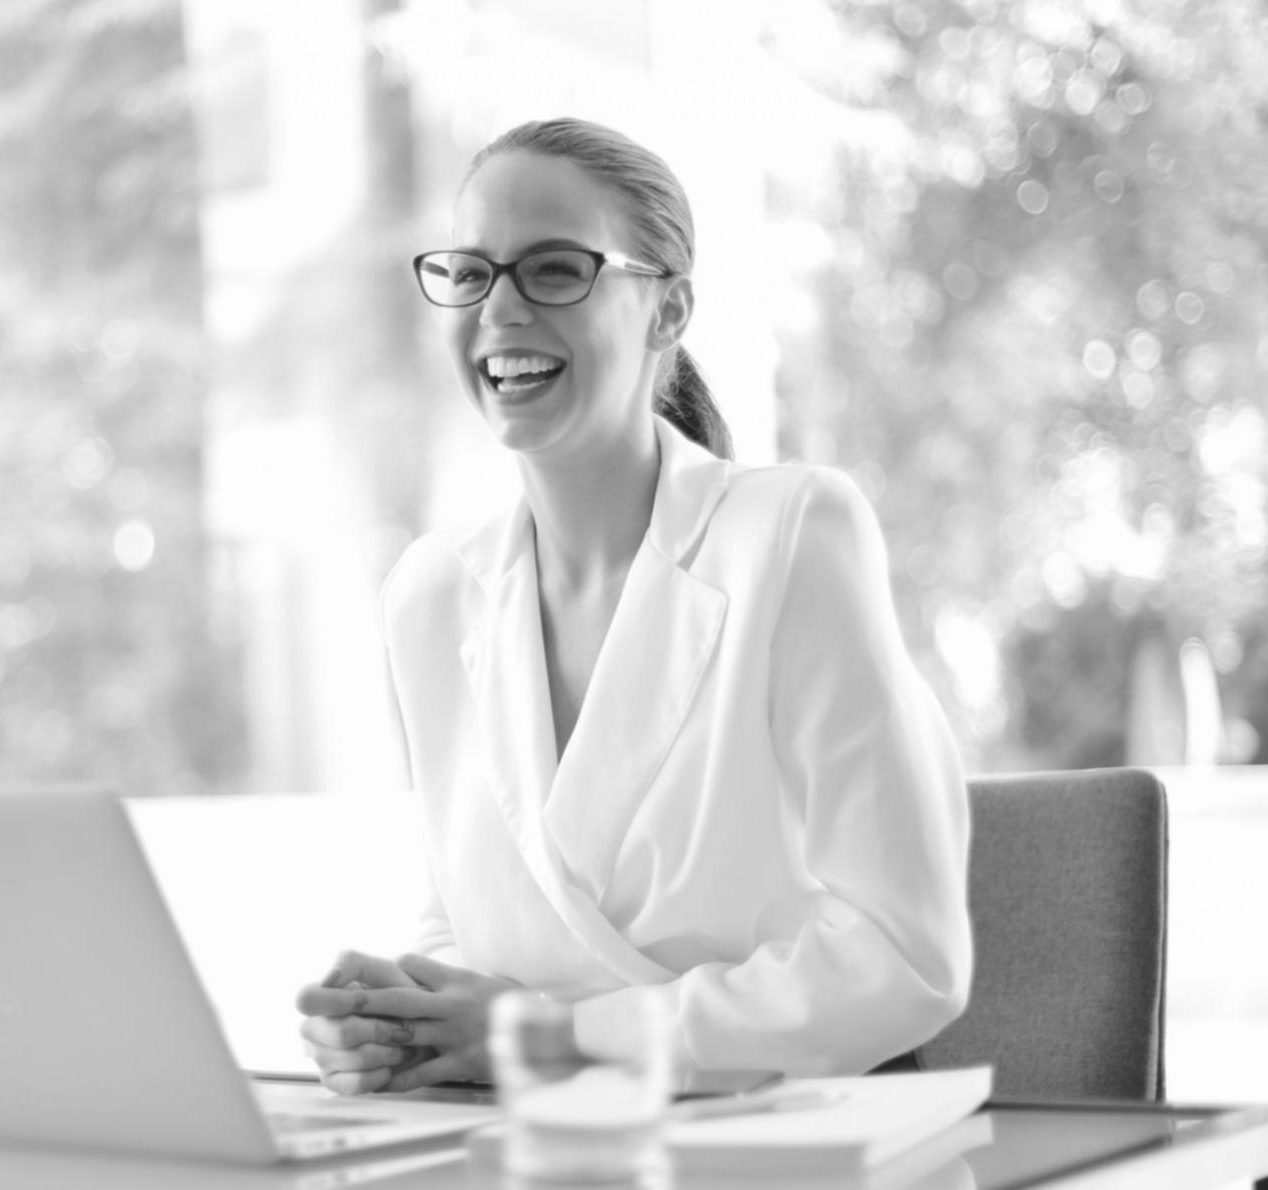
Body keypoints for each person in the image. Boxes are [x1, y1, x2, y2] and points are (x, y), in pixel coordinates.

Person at [294, 117, 972, 1096]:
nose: (500, 309)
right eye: (471, 272)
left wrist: (560, 1035)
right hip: (547, 1145)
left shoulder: (789, 535)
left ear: (667, 309)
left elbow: (905, 956)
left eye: (555, 269)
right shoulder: (431, 594)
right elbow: (467, 919)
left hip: (781, 1140)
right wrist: (397, 1021)